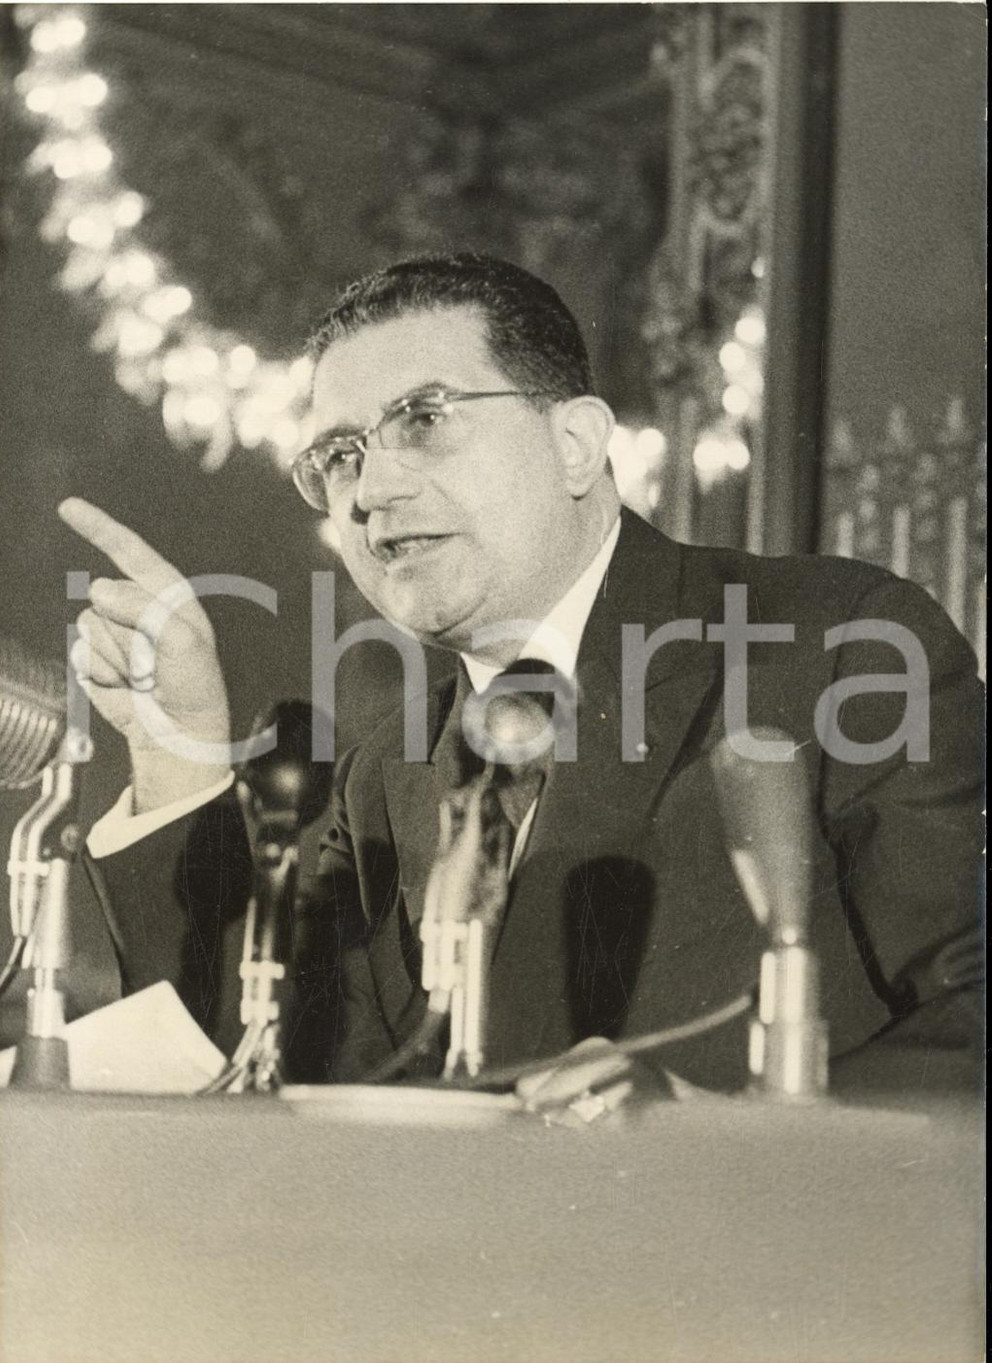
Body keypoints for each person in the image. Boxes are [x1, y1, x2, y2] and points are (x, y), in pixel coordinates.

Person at [59, 253, 984, 1112]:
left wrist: (705, 1130)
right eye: (338, 455)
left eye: (422, 420)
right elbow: (282, 1072)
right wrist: (173, 750)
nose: (369, 490)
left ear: (576, 443)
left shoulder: (840, 645)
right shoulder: (389, 769)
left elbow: (970, 1016)